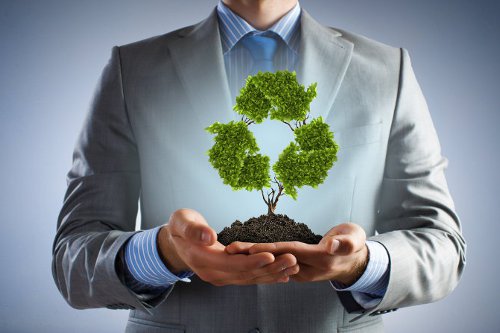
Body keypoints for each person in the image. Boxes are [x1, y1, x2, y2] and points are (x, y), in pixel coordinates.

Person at [52, 0, 466, 332]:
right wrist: (164, 254)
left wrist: (361, 263)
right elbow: (74, 257)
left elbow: (442, 246)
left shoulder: (385, 71)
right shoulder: (134, 69)